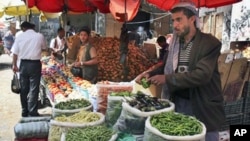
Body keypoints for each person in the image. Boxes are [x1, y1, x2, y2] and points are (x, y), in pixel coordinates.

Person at [136, 2, 225, 141]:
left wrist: (167, 79)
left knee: (205, 136)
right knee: (180, 135)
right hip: (179, 102)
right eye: (173, 20)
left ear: (192, 19)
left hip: (202, 104)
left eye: (179, 19)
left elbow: (202, 75)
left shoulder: (209, 43)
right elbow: (165, 66)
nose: (175, 25)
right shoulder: (176, 43)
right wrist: (150, 73)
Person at [11, 21, 47, 117]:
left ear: (23, 28)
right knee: (34, 89)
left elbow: (15, 53)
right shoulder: (39, 36)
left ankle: (24, 111)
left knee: (24, 89)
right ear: (33, 28)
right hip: (35, 64)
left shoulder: (19, 37)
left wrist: (14, 65)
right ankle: (33, 111)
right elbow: (44, 48)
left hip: (23, 64)